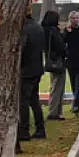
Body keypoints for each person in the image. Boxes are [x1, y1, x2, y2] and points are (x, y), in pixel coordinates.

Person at [19, 10, 47, 142]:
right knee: (34, 100)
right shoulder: (37, 26)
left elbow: (23, 49)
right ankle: (40, 127)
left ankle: (24, 130)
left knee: (23, 101)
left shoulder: (25, 29)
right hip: (36, 68)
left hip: (26, 70)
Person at [42, 10, 67, 120]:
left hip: (50, 59)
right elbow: (60, 46)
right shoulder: (54, 31)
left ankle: (56, 111)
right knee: (58, 86)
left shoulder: (44, 30)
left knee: (55, 84)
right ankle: (54, 111)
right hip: (58, 60)